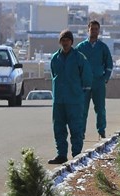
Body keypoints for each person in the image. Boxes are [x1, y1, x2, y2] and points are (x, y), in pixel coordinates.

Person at [47, 29, 92, 165]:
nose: (65, 42)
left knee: (76, 129)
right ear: (60, 42)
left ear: (71, 42)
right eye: (63, 40)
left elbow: (87, 77)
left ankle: (77, 155)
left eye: (67, 40)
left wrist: (80, 94)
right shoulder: (55, 58)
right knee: (59, 128)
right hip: (59, 101)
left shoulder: (79, 57)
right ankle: (61, 154)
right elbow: (54, 75)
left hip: (75, 101)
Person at [76, 20, 113, 140]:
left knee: (100, 108)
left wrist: (105, 78)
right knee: (82, 109)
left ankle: (101, 131)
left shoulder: (102, 47)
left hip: (98, 82)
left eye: (96, 29)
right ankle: (81, 132)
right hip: (84, 84)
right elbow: (75, 64)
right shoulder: (81, 47)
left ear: (99, 31)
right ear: (88, 30)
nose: (94, 31)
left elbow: (109, 64)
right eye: (92, 29)